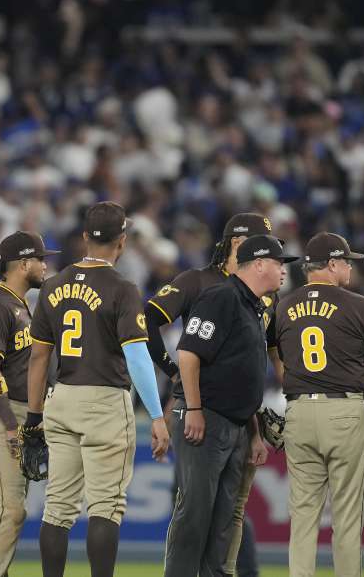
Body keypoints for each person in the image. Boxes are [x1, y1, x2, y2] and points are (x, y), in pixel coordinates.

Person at [25, 201, 170, 577]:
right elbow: (138, 357)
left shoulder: (53, 286)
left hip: (62, 397)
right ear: (122, 241)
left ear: (86, 238)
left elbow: (39, 358)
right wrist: (157, 415)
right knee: (106, 506)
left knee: (57, 508)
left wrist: (34, 416)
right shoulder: (122, 288)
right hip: (105, 399)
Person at [145, 212, 285, 577]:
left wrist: (254, 428)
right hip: (201, 410)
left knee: (228, 513)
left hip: (237, 418)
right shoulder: (204, 285)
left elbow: (260, 360)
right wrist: (175, 379)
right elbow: (160, 330)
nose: (281, 266)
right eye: (269, 252)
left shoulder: (258, 300)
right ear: (241, 244)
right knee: (195, 508)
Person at [277, 232, 364, 577]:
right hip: (343, 410)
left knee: (304, 517)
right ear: (333, 264)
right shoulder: (359, 304)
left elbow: (278, 355)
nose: (350, 268)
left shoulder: (283, 306)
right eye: (347, 262)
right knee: (347, 516)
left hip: (298, 411)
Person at [0, 231, 58, 577]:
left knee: (13, 509)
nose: (45, 264)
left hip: (19, 413)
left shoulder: (19, 305)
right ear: (22, 264)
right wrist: (9, 424)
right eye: (40, 258)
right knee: (9, 510)